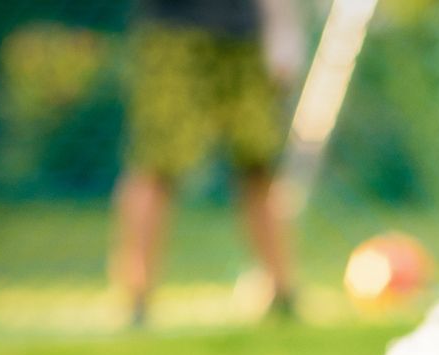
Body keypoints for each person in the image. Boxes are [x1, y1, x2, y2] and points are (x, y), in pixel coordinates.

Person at [112, 0, 304, 327]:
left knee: (259, 164)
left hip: (245, 34)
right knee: (156, 164)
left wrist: (282, 27)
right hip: (172, 31)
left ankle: (282, 293)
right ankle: (137, 299)